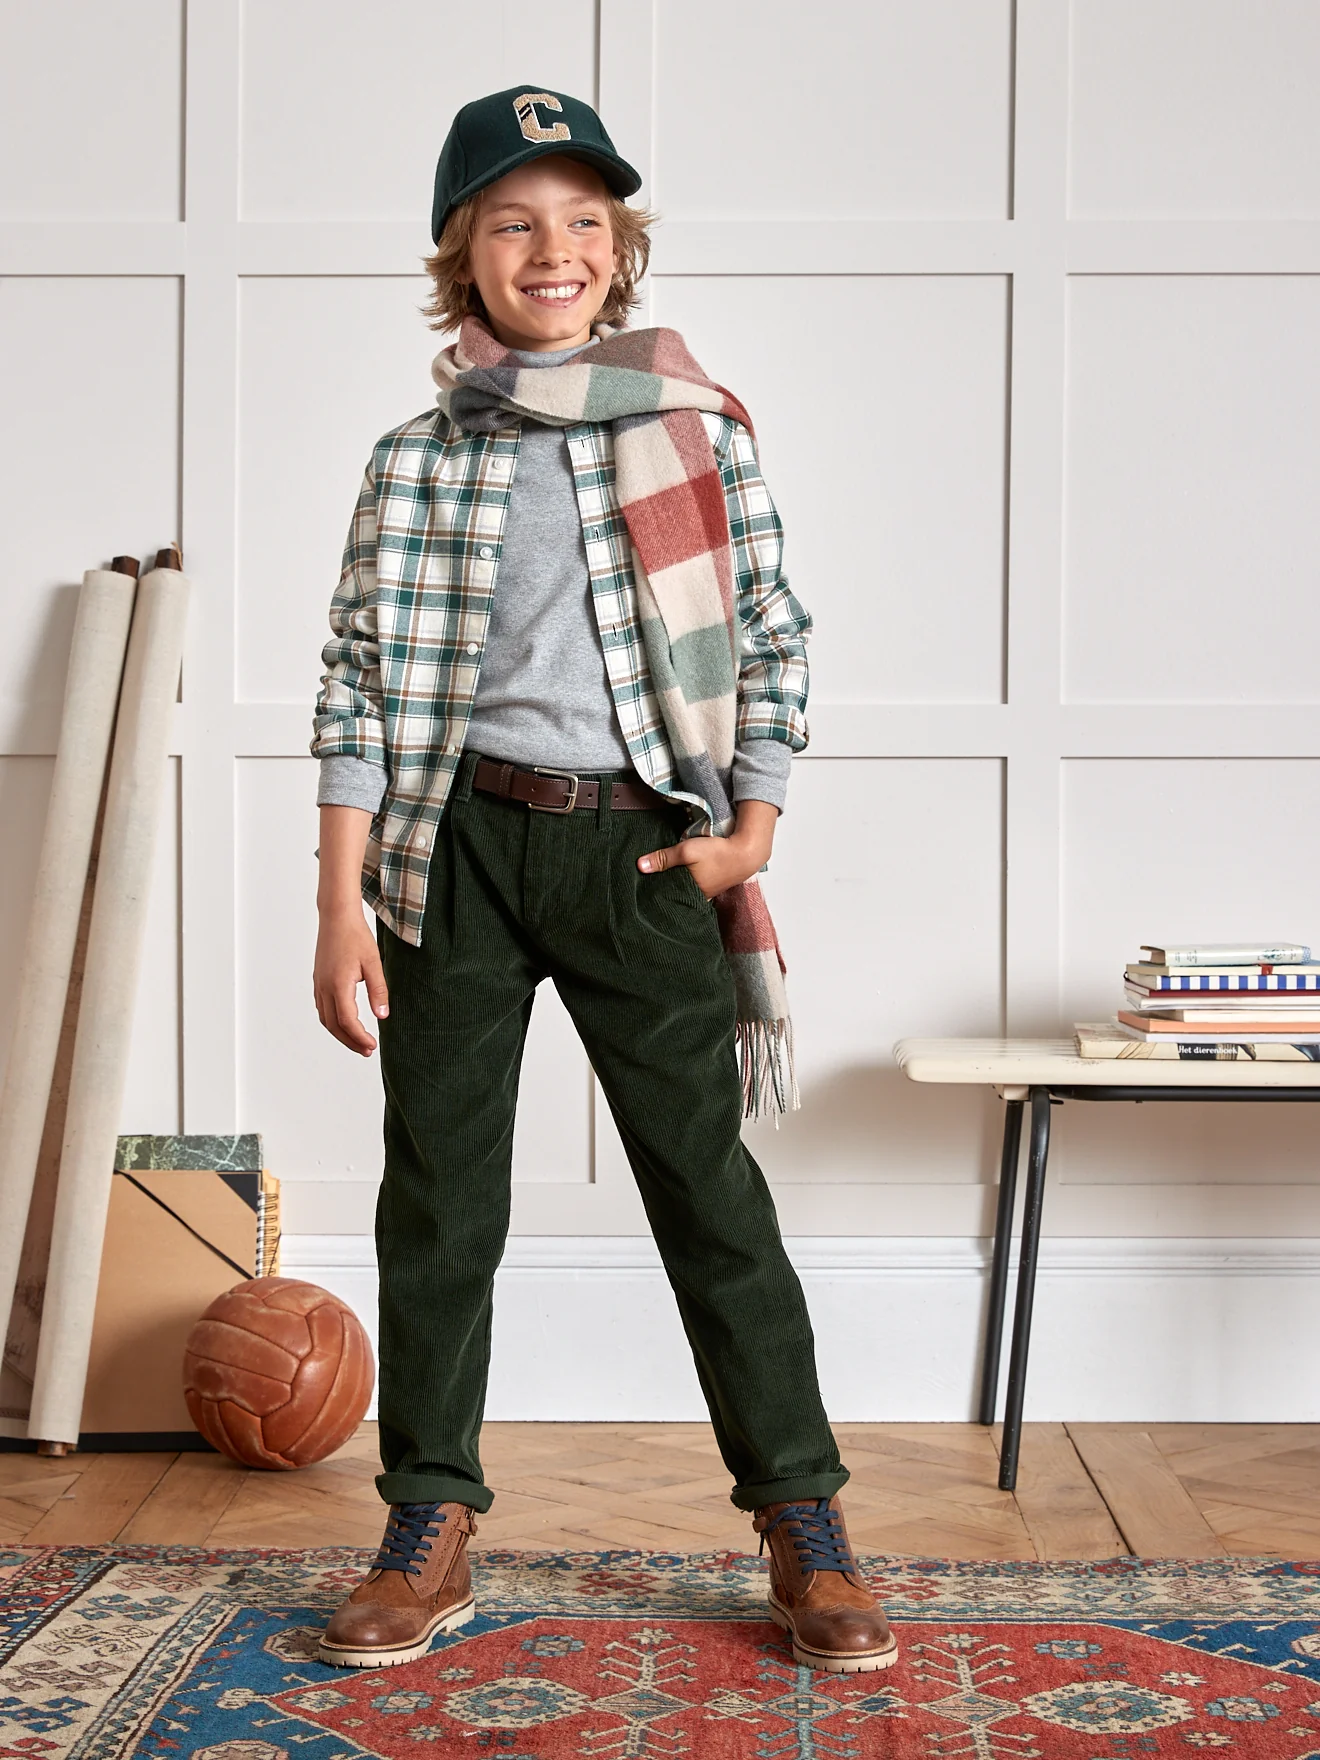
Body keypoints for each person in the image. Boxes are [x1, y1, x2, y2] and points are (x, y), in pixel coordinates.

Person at [308, 85, 896, 1676]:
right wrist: (338, 899)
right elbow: (356, 678)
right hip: (454, 851)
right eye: (513, 222)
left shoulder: (693, 430)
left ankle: (804, 1517)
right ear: (463, 255)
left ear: (618, 250)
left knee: (706, 1186)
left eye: (582, 220)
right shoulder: (416, 459)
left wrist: (752, 827)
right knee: (440, 1197)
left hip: (641, 847)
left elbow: (770, 636)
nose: (551, 249)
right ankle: (429, 1521)